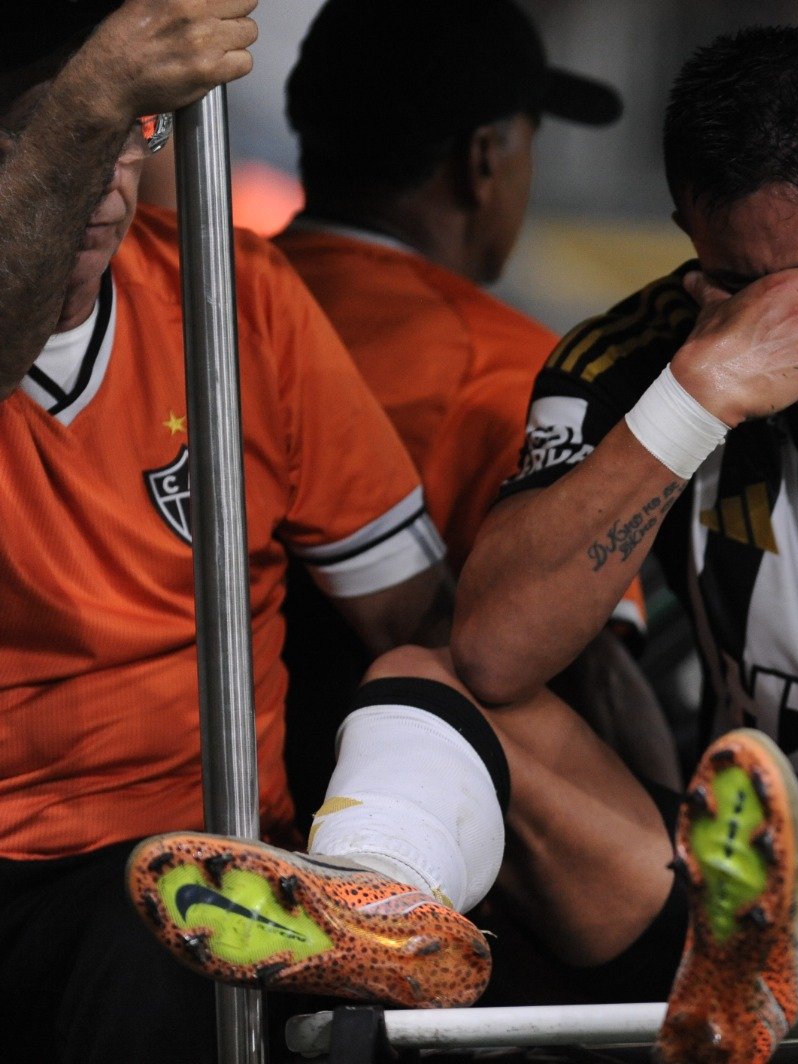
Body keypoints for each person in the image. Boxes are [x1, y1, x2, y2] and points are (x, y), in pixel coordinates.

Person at [130, 24, 798, 1063]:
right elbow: (498, 649)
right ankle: (383, 898)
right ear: (691, 242)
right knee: (425, 673)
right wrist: (696, 396)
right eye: (752, 286)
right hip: (734, 895)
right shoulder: (633, 363)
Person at [0, 2, 455, 1060]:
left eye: (132, 131)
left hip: (207, 856)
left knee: (173, 932)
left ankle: (369, 907)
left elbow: (418, 616)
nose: (106, 174)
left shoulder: (234, 298)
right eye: (55, 131)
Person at [267, 0, 666, 826]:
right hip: (415, 839)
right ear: (484, 159)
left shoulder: (206, 308)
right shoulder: (516, 368)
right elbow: (597, 680)